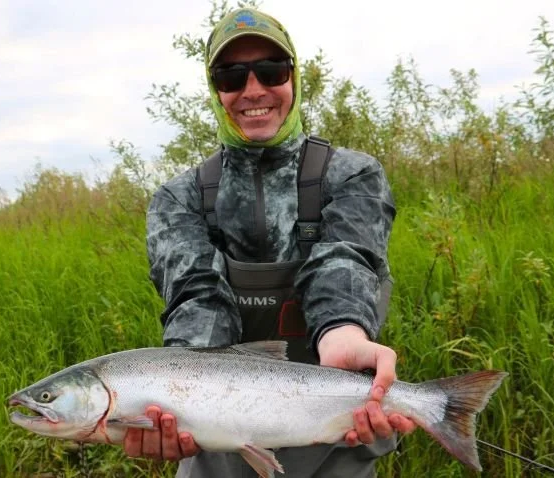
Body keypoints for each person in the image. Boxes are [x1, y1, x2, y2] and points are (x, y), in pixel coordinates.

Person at [126, 7, 416, 477]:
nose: (253, 89)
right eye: (231, 75)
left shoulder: (353, 175)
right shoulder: (178, 198)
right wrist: (177, 405)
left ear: (294, 77)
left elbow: (344, 261)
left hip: (336, 420)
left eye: (271, 70)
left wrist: (342, 335)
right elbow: (196, 297)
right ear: (215, 90)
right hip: (215, 432)